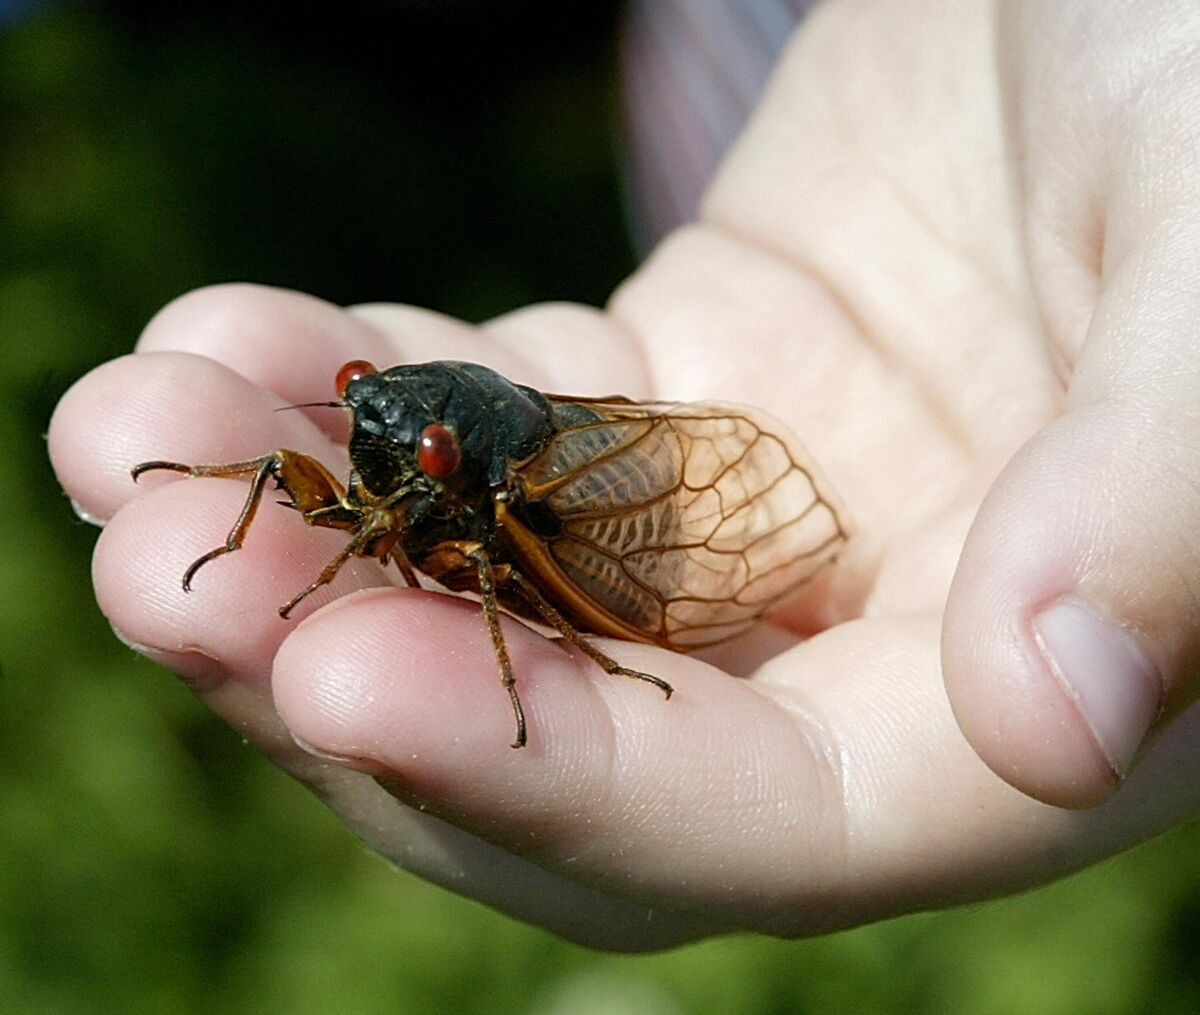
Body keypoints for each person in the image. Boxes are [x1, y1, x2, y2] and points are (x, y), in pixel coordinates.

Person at [47, 0, 1200, 950]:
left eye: (419, 455)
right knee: (268, 462)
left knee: (506, 569)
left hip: (573, 486)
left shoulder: (477, 492)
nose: (377, 451)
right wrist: (269, 521)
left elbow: (488, 569)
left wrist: (558, 645)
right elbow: (353, 481)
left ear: (453, 460)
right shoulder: (386, 447)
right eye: (358, 408)